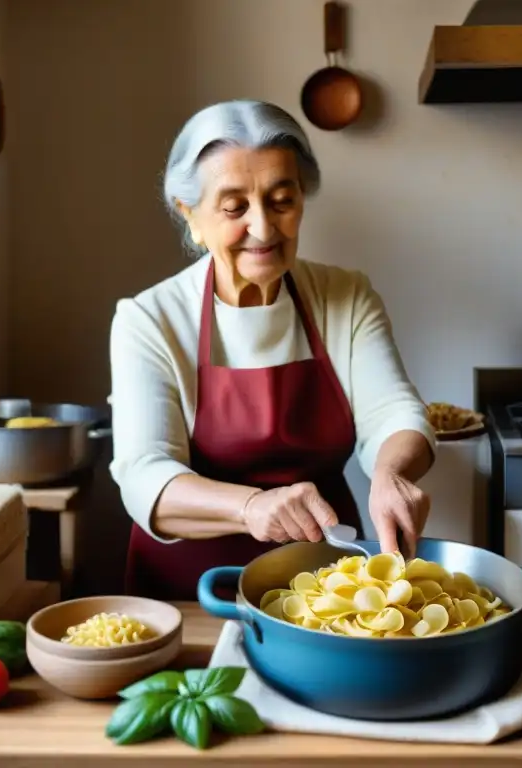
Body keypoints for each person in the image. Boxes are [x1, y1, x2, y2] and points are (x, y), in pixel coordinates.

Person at [109, 99, 437, 601]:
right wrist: (251, 507)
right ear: (191, 216)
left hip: (327, 585)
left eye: (281, 200)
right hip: (191, 594)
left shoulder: (344, 296)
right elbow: (144, 476)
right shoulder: (149, 319)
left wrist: (391, 474)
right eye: (234, 207)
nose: (262, 228)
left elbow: (393, 412)